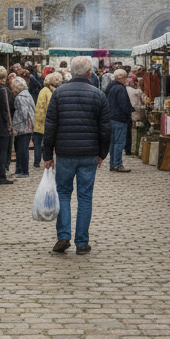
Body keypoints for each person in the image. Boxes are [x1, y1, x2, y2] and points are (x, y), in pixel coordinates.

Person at [42, 56, 111, 255]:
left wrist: (47, 154)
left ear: (71, 72)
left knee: (63, 194)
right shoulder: (98, 95)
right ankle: (82, 242)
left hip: (65, 153)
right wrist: (102, 153)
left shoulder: (59, 93)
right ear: (89, 73)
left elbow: (50, 126)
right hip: (89, 153)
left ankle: (63, 236)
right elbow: (106, 129)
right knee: (85, 197)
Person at [105, 69, 134, 173]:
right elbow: (124, 105)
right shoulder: (120, 89)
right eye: (125, 77)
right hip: (120, 118)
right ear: (121, 78)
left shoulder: (111, 86)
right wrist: (129, 112)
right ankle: (117, 164)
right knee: (119, 143)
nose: (126, 79)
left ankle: (113, 164)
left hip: (111, 117)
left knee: (113, 143)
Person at [33, 71, 60, 169]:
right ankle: (39, 161)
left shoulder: (45, 91)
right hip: (44, 122)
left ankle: (37, 161)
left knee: (39, 143)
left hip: (42, 123)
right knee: (41, 143)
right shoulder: (49, 91)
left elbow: (41, 107)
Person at [10, 76, 35, 179]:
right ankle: (19, 169)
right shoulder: (27, 95)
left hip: (22, 128)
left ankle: (24, 170)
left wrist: (16, 122)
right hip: (27, 127)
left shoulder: (20, 97)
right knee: (21, 149)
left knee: (22, 150)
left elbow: (24, 113)